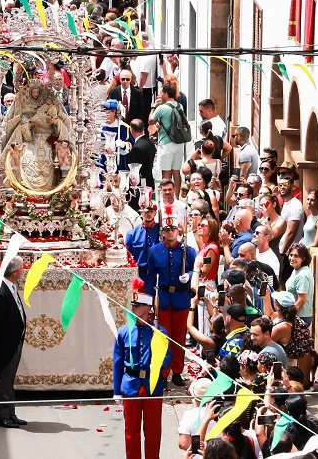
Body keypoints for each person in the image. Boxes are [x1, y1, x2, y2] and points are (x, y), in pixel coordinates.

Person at [113, 278, 172, 459]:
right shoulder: (123, 332)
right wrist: (116, 391)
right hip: (130, 385)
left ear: (146, 310)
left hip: (152, 385)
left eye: (136, 307)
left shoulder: (160, 332)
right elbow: (117, 363)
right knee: (131, 432)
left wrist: (159, 366)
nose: (133, 310)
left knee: (153, 431)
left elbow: (168, 358)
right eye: (133, 306)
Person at [148, 217, 195, 386]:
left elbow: (194, 271)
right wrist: (151, 299)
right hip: (163, 297)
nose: (170, 233)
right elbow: (151, 276)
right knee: (162, 336)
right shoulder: (155, 251)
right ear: (163, 232)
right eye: (167, 230)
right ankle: (163, 371)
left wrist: (188, 276)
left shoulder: (187, 250)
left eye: (173, 229)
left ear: (178, 231)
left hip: (180, 298)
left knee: (179, 337)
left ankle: (177, 370)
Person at [0, 256, 28, 428]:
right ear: (15, 272)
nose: (23, 271)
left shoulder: (9, 287)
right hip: (5, 345)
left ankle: (10, 413)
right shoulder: (0, 293)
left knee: (9, 380)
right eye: (22, 268)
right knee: (4, 380)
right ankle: (2, 416)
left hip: (13, 342)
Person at [150, 82, 187, 192]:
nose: (161, 95)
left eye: (162, 92)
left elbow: (150, 121)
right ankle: (176, 196)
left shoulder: (161, 108)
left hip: (166, 143)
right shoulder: (179, 106)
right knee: (176, 171)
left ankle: (166, 196)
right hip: (179, 142)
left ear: (166, 94)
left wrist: (153, 107)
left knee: (166, 172)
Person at [124, 196, 160, 294]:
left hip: (157, 275)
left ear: (155, 213)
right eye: (145, 211)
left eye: (151, 211)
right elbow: (128, 257)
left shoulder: (161, 232)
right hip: (139, 275)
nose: (148, 214)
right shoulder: (132, 234)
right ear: (141, 212)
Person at [285, 245, 314, 326]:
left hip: (300, 317)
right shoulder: (297, 269)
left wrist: (291, 318)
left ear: (303, 258)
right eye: (291, 255)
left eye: (296, 256)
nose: (292, 258)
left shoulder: (302, 275)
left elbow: (302, 299)